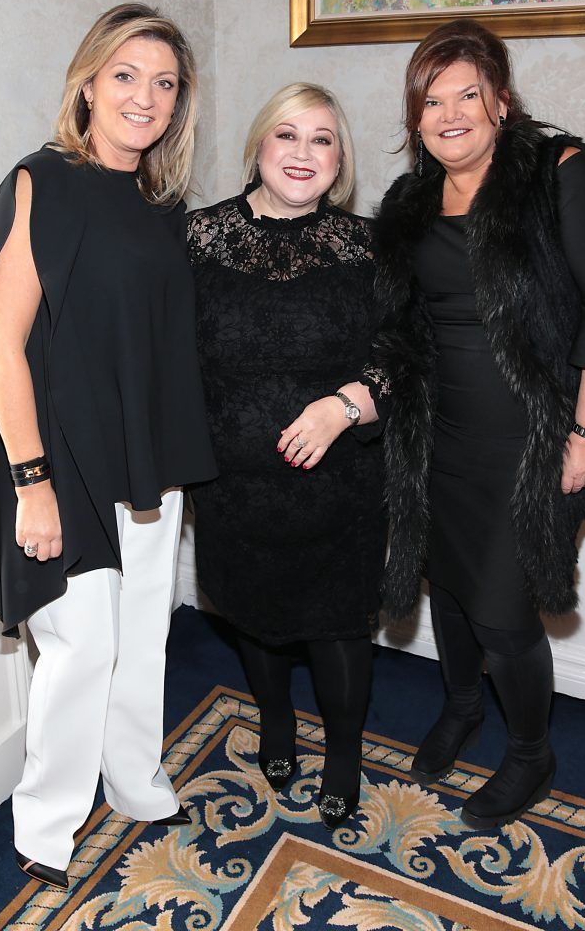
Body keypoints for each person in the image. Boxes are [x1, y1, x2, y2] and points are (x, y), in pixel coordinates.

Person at [0, 3, 217, 888]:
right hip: (58, 458)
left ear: (180, 104)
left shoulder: (162, 205)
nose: (146, 97)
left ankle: (135, 781)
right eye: (127, 75)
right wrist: (32, 483)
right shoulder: (41, 183)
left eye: (165, 83)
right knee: (82, 646)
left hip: (143, 455)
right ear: (88, 81)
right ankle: (46, 824)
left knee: (144, 632)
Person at [374, 20, 585, 830]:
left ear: (501, 100)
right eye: (433, 99)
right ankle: (463, 704)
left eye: (469, 93)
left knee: (502, 610)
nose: (451, 112)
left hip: (533, 443)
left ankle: (532, 752)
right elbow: (399, 328)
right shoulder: (409, 202)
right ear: (416, 118)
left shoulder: (557, 172)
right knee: (452, 590)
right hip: (438, 438)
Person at [187, 83, 388, 829]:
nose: (303, 153)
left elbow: (407, 353)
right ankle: (276, 721)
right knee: (251, 611)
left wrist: (342, 407)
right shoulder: (196, 238)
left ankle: (344, 753)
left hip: (342, 488)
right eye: (287, 136)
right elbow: (166, 355)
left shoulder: (367, 246)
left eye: (323, 140)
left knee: (338, 624)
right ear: (259, 147)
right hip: (230, 484)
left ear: (340, 160)